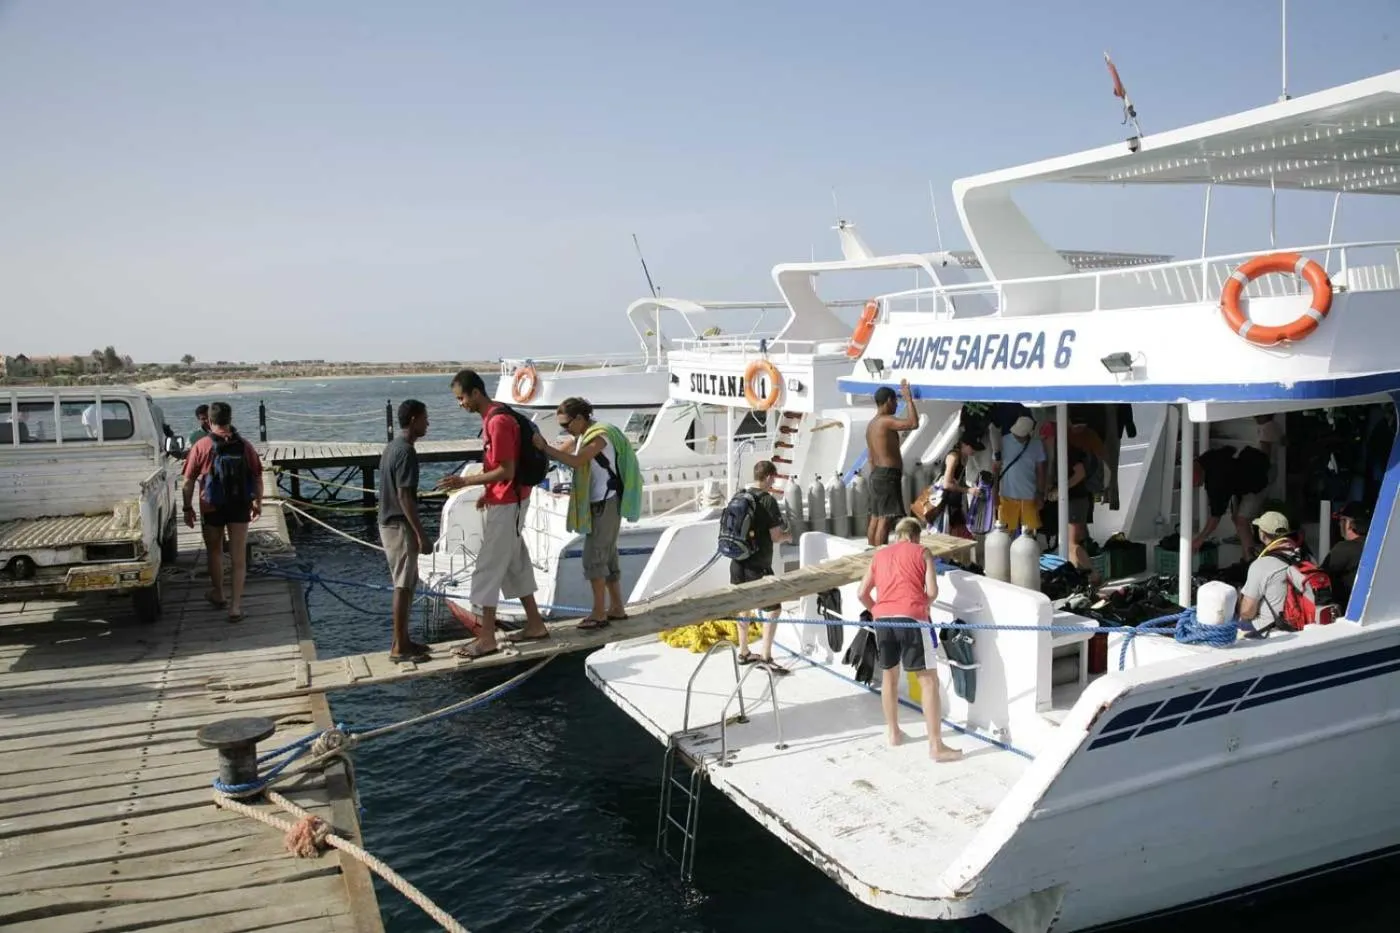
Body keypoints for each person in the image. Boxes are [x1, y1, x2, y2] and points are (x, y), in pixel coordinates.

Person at [436, 369, 548, 656]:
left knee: (487, 567)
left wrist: (465, 482)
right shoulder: (495, 418)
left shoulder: (498, 422)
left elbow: (506, 469)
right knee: (514, 561)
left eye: (462, 397)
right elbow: (497, 465)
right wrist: (487, 492)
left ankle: (486, 638)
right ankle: (535, 624)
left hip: (509, 502)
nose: (460, 403)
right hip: (509, 499)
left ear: (476, 392)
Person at [857, 517, 963, 762]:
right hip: (912, 618)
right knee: (928, 681)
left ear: (897, 535)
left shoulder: (879, 555)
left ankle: (893, 733)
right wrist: (920, 607)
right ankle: (936, 746)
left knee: (889, 677)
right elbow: (933, 592)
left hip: (883, 620)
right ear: (915, 536)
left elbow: (862, 593)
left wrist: (878, 611)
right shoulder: (922, 552)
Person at [534, 397, 642, 629]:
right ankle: (616, 607)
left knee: (594, 558)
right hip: (599, 502)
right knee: (608, 557)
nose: (564, 430)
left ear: (580, 418)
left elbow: (576, 461)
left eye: (566, 425)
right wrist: (541, 450)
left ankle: (598, 613)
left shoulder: (600, 437)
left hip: (607, 502)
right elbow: (563, 451)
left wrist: (546, 447)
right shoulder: (582, 435)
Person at [182, 401, 262, 623]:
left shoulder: (201, 446)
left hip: (211, 505)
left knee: (214, 551)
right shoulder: (244, 445)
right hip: (239, 505)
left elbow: (187, 482)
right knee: (238, 559)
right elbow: (256, 475)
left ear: (209, 420)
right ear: (230, 419)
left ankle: (219, 594)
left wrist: (187, 508)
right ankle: (235, 608)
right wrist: (258, 502)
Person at [378, 400, 433, 663]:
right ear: (413, 419)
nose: (428, 423)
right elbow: (404, 496)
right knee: (402, 585)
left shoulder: (392, 447)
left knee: (408, 583)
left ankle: (403, 640)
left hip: (390, 522)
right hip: (398, 524)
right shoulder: (406, 452)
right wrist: (421, 534)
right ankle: (398, 648)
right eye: (425, 418)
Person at [728, 460, 791, 670]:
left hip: (737, 562)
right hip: (758, 565)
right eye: (773, 478)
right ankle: (765, 656)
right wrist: (789, 535)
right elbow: (775, 537)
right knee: (774, 609)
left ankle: (744, 651)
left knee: (743, 606)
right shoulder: (767, 501)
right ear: (769, 477)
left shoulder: (738, 496)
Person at [865, 379, 919, 545]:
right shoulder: (885, 421)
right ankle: (880, 554)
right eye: (896, 400)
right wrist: (909, 399)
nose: (897, 404)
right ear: (889, 400)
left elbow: (870, 457)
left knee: (875, 516)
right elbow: (913, 423)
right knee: (885, 519)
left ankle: (872, 554)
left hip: (876, 474)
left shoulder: (872, 424)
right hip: (887, 475)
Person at [1237, 511, 1298, 633]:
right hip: (1299, 623)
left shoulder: (1261, 565)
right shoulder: (1305, 557)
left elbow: (1247, 612)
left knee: (1232, 622)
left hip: (1269, 628)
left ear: (1262, 535)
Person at [996, 415, 1046, 535]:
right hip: (1007, 496)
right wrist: (994, 494)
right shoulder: (1003, 441)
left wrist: (1040, 493)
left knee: (1029, 535)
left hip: (1029, 496)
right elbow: (995, 469)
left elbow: (1041, 471)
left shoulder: (1037, 444)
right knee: (1005, 535)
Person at [1322, 502, 1368, 614]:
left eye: (1342, 520)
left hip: (1345, 613)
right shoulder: (1377, 545)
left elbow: (1320, 576)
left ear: (1350, 524)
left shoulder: (1343, 549)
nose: (1339, 525)